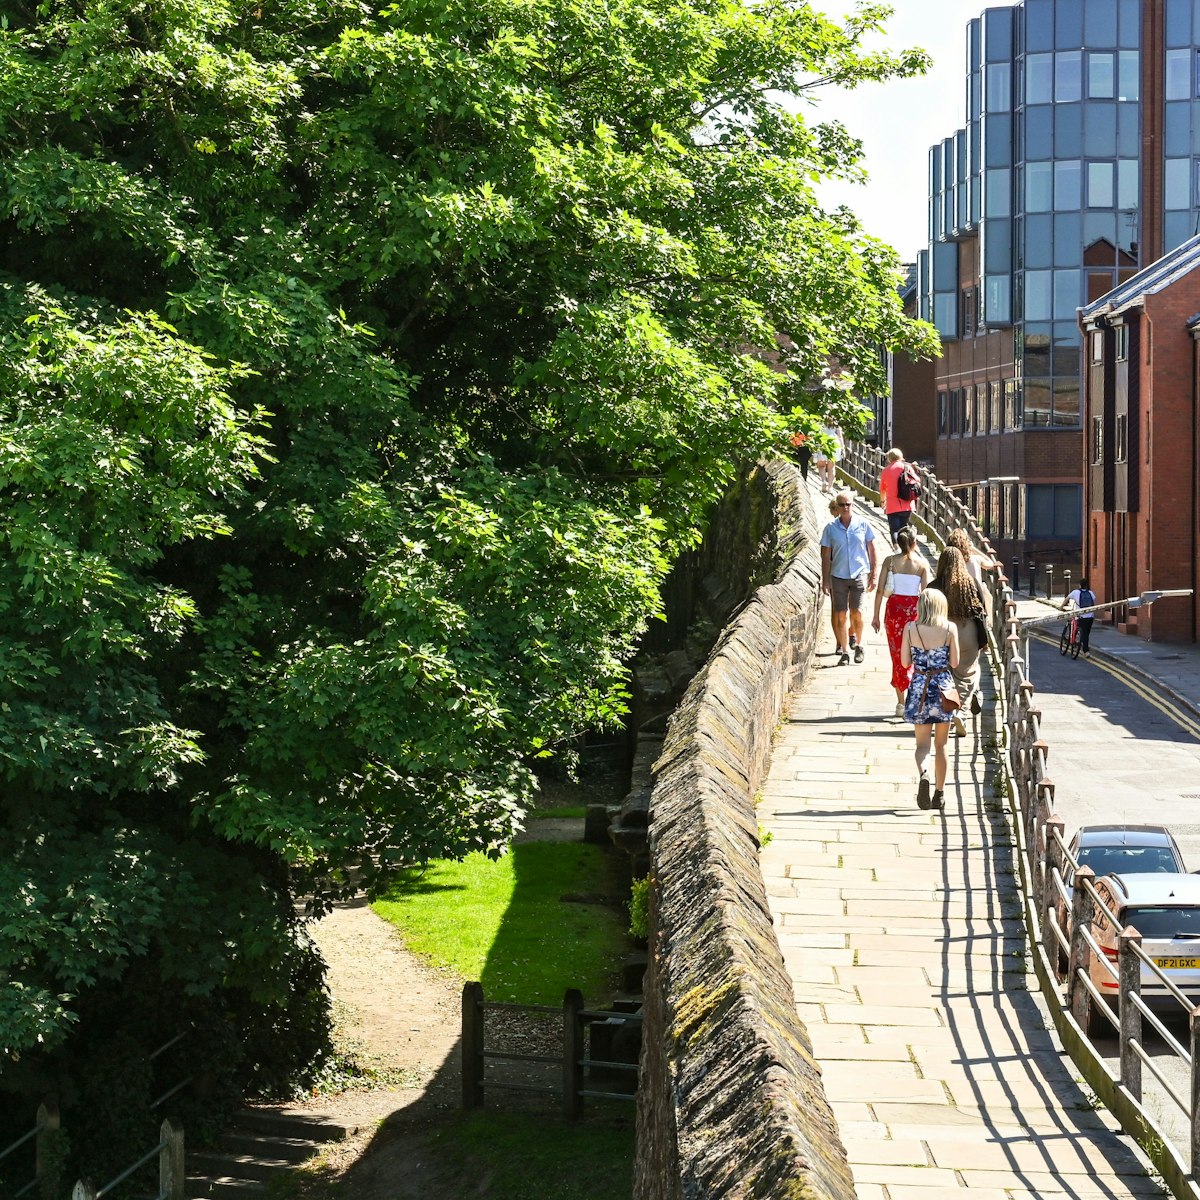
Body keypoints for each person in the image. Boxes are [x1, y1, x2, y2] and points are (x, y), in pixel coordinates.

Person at [901, 587, 961, 810]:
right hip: (943, 688)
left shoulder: (910, 628)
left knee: (922, 745)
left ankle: (924, 773)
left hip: (919, 688)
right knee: (942, 744)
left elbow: (905, 662)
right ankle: (939, 794)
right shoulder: (949, 628)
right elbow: (954, 663)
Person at [871, 527, 930, 717]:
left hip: (894, 610)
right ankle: (913, 699)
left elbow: (880, 590)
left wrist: (875, 616)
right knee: (914, 655)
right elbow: (925, 594)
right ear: (914, 543)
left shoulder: (890, 561)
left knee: (897, 655)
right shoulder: (922, 564)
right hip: (913, 612)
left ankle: (901, 702)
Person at [931, 546, 989, 736]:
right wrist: (983, 639)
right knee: (966, 675)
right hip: (967, 632)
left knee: (944, 674)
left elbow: (924, 614)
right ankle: (960, 712)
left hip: (941, 632)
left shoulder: (934, 586)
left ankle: (946, 711)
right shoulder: (970, 583)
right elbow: (981, 613)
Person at [820, 489, 876, 666]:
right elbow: (825, 555)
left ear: (853, 505)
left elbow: (872, 550)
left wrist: (873, 574)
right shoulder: (830, 528)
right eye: (842, 505)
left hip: (859, 573)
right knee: (840, 614)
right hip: (838, 575)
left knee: (857, 612)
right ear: (837, 506)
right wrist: (825, 580)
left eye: (848, 504)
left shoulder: (863, 524)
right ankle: (844, 651)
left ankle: (858, 645)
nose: (845, 508)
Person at [946, 528, 997, 619]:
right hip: (976, 598)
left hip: (957, 598)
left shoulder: (950, 561)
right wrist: (974, 549)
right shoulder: (975, 559)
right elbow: (990, 563)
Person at [878, 447, 917, 546]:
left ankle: (896, 548)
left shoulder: (886, 470)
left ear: (889, 458)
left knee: (894, 530)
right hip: (907, 504)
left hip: (892, 506)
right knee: (904, 528)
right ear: (901, 457)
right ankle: (906, 548)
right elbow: (916, 481)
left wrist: (882, 502)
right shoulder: (908, 467)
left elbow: (882, 489)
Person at [1063, 576, 1097, 655]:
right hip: (1090, 617)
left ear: (1080, 585)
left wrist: (1061, 607)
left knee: (1076, 625)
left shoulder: (1075, 592)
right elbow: (1093, 603)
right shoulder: (1091, 593)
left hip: (1081, 617)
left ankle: (1075, 641)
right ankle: (1085, 650)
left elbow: (1067, 599)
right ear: (1086, 585)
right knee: (1086, 634)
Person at [815, 424, 842, 493]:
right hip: (834, 442)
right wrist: (842, 448)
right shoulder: (835, 422)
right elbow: (840, 436)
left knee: (821, 465)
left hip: (822, 441)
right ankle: (830, 487)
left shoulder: (820, 420)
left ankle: (824, 481)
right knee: (831, 467)